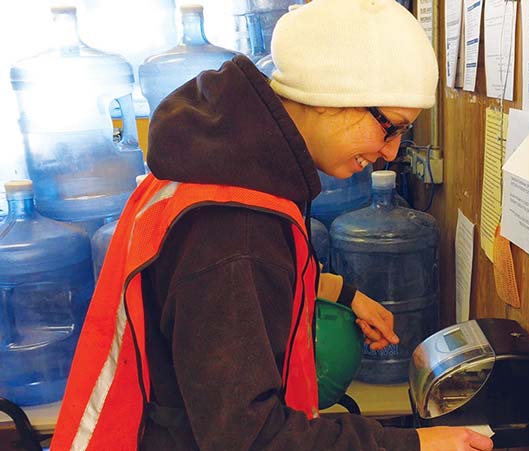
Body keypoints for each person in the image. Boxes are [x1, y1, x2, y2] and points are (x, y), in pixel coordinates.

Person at [49, 1, 494, 450]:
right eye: (389, 128)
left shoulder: (223, 161)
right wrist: (415, 445)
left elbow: (237, 287)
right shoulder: (232, 229)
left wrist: (343, 293)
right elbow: (250, 439)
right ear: (331, 98)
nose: (391, 152)